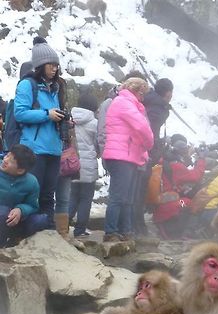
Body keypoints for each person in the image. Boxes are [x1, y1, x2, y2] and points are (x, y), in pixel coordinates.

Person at [14, 38, 66, 229]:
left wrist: (64, 119)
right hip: (34, 148)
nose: (54, 69)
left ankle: (48, 229)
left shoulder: (56, 87)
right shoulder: (28, 85)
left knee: (48, 193)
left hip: (53, 148)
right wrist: (47, 114)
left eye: (56, 65)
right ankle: (30, 230)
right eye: (51, 65)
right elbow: (20, 113)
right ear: (41, 65)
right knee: (33, 192)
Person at [102, 77, 154, 242]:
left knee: (128, 198)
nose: (143, 97)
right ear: (135, 90)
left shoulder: (128, 103)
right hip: (120, 155)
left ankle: (126, 230)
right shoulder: (123, 103)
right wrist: (149, 144)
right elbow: (142, 126)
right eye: (142, 93)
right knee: (118, 196)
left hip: (127, 155)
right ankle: (111, 231)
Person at [132, 78, 174, 236]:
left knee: (137, 188)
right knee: (139, 189)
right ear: (168, 93)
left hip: (140, 151)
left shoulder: (150, 102)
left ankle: (136, 224)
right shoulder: (156, 108)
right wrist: (154, 147)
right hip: (144, 152)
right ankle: (137, 225)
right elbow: (149, 131)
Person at [152, 135, 206, 239]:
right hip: (172, 206)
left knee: (186, 197)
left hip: (162, 205)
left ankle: (170, 227)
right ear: (181, 152)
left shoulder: (164, 160)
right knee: (192, 203)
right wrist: (202, 159)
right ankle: (187, 232)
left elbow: (179, 172)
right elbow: (196, 176)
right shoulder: (176, 166)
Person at [0, 144, 47, 247]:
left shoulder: (31, 182)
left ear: (20, 170)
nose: (5, 160)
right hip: (2, 215)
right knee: (2, 212)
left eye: (11, 161)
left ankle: (15, 240)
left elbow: (33, 205)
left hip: (16, 220)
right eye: (7, 155)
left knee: (41, 220)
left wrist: (20, 210)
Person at [68, 93, 99, 237]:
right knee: (86, 198)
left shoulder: (69, 119)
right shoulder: (94, 123)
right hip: (88, 165)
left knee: (72, 196)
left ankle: (63, 226)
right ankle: (80, 230)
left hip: (71, 164)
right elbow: (97, 143)